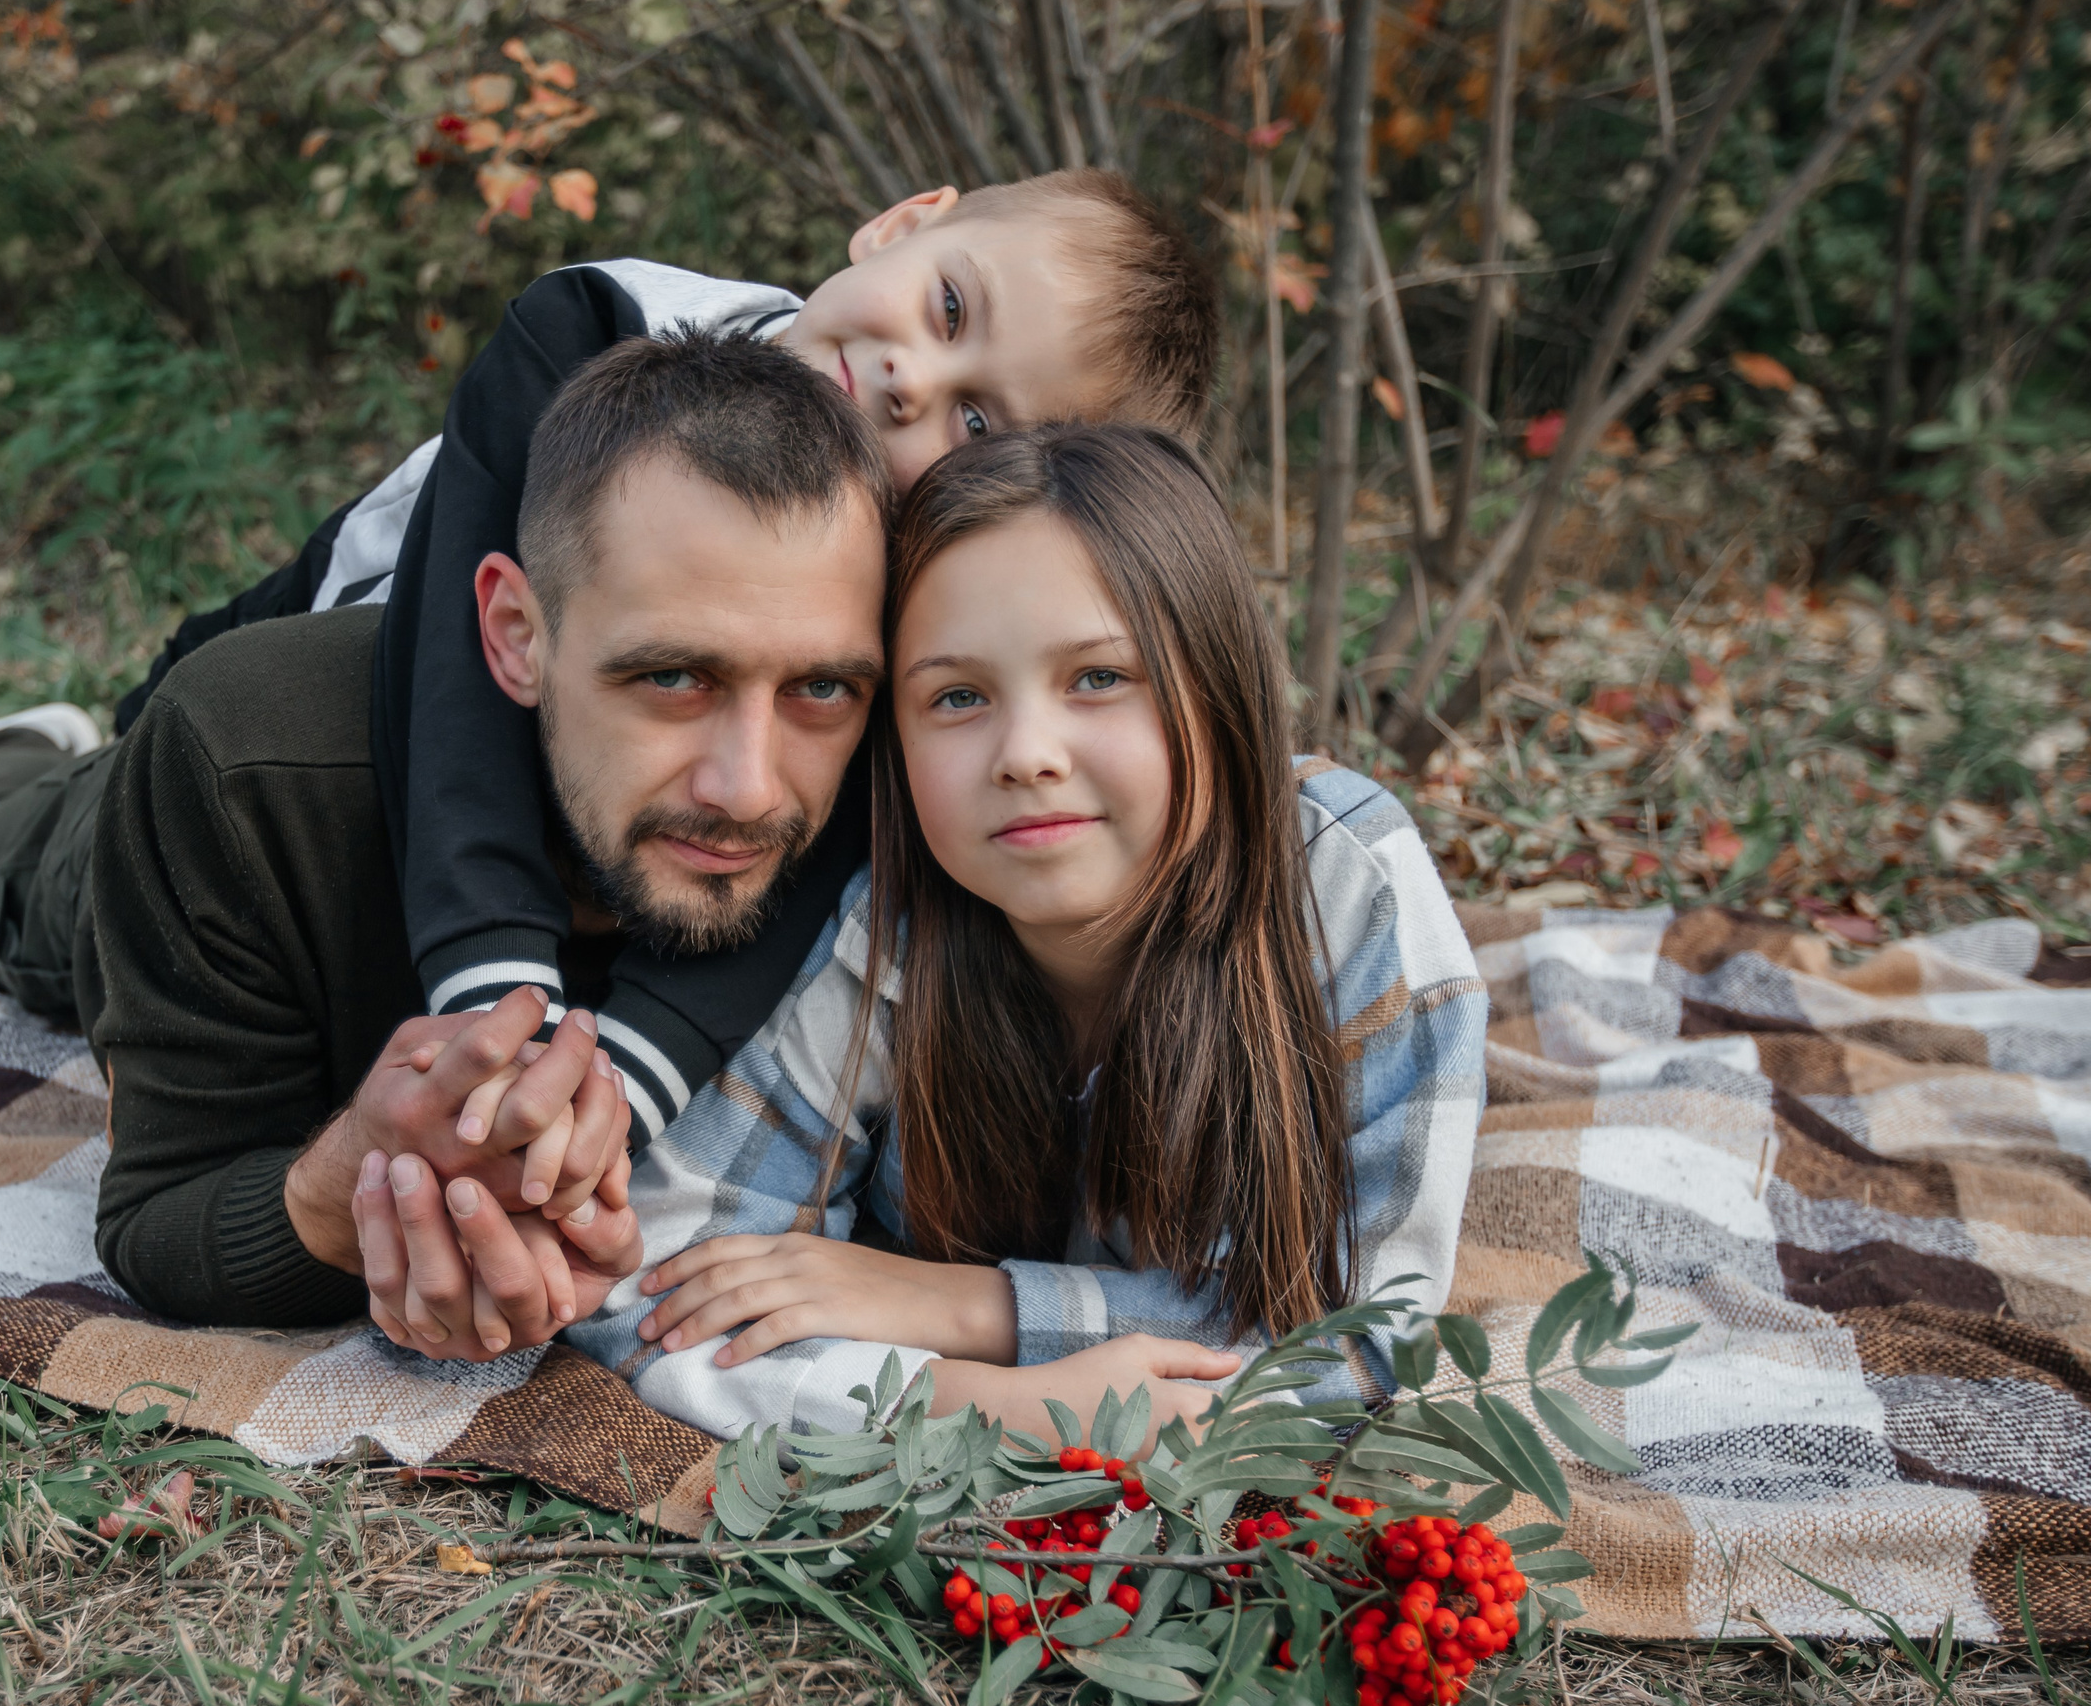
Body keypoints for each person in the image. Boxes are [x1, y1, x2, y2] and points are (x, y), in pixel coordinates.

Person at [0, 171, 1222, 1179]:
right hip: (331, 700)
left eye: (981, 413)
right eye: (947, 303)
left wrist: (624, 1073)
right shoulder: (595, 327)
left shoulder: (913, 554)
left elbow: (833, 829)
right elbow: (450, 712)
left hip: (589, 802)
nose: (918, 380)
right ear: (908, 219)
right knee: (45, 901)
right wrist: (500, 1005)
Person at [396, 424, 1487, 1439]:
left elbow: (1361, 1340)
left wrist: (974, 1310)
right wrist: (983, 1405)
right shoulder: (888, 923)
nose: (1027, 753)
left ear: (1218, 689)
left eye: (1098, 679)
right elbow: (656, 1277)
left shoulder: (1345, 884)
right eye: (956, 698)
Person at [0, 330, 899, 1343]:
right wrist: (346, 1182)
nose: (749, 788)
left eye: (820, 686)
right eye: (671, 677)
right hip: (109, 837)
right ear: (515, 635)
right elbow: (160, 1212)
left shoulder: (925, 784)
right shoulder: (248, 762)